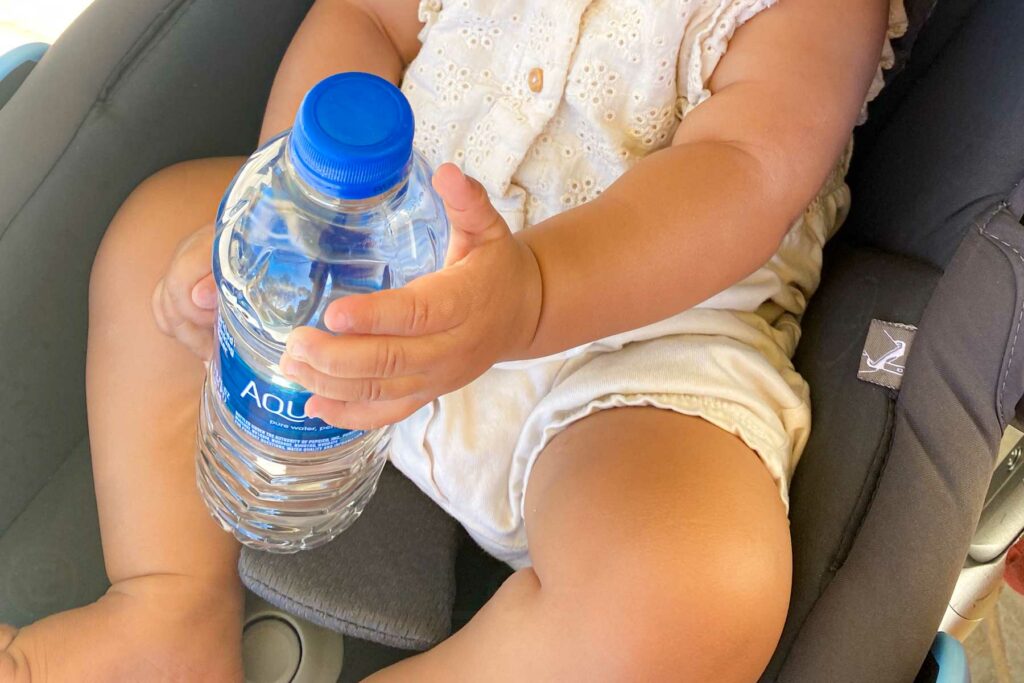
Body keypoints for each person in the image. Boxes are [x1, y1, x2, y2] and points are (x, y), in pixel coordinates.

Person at [1, 0, 905, 680]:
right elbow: (362, 20)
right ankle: (167, 604)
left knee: (698, 588)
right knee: (156, 239)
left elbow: (744, 169)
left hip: (629, 347)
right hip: (377, 247)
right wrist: (291, 213)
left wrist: (536, 293)